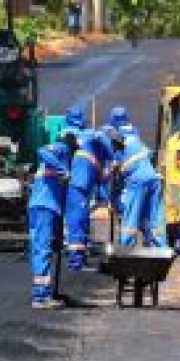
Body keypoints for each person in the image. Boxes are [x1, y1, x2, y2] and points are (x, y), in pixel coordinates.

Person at [104, 125, 167, 249]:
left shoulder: (118, 151)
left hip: (137, 181)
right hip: (154, 180)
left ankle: (126, 246)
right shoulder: (138, 143)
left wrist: (113, 200)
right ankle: (159, 245)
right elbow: (150, 156)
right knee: (153, 215)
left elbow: (116, 180)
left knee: (131, 215)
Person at [28, 141, 73, 309]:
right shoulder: (62, 148)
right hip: (44, 207)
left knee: (42, 249)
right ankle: (41, 296)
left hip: (45, 207)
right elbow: (42, 150)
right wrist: (63, 170)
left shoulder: (64, 158)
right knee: (42, 249)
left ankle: (42, 292)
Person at [65, 129, 114, 271]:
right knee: (77, 224)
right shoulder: (93, 141)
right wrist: (113, 158)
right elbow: (100, 137)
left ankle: (80, 260)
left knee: (83, 224)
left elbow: (101, 180)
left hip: (83, 191)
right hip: (78, 189)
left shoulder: (93, 153)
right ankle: (76, 264)